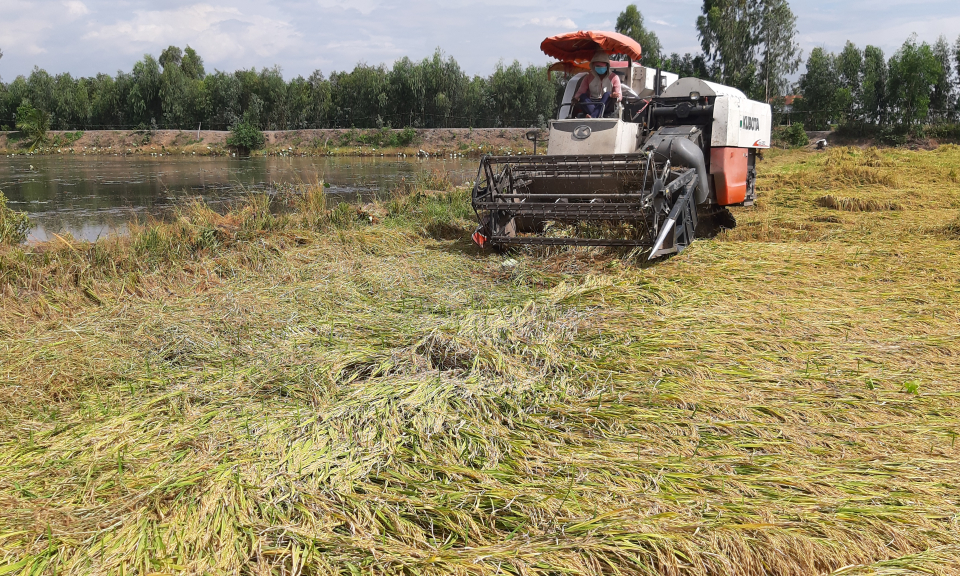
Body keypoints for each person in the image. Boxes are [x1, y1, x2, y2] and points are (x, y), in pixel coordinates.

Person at [571, 51, 622, 118]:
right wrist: (576, 98)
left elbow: (619, 96)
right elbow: (580, 92)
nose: (599, 68)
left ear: (606, 66)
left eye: (601, 66)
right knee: (582, 96)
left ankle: (593, 116)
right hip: (592, 104)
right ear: (593, 66)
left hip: (607, 106)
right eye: (597, 66)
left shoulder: (614, 77)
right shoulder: (588, 77)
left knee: (607, 94)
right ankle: (595, 115)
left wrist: (615, 95)